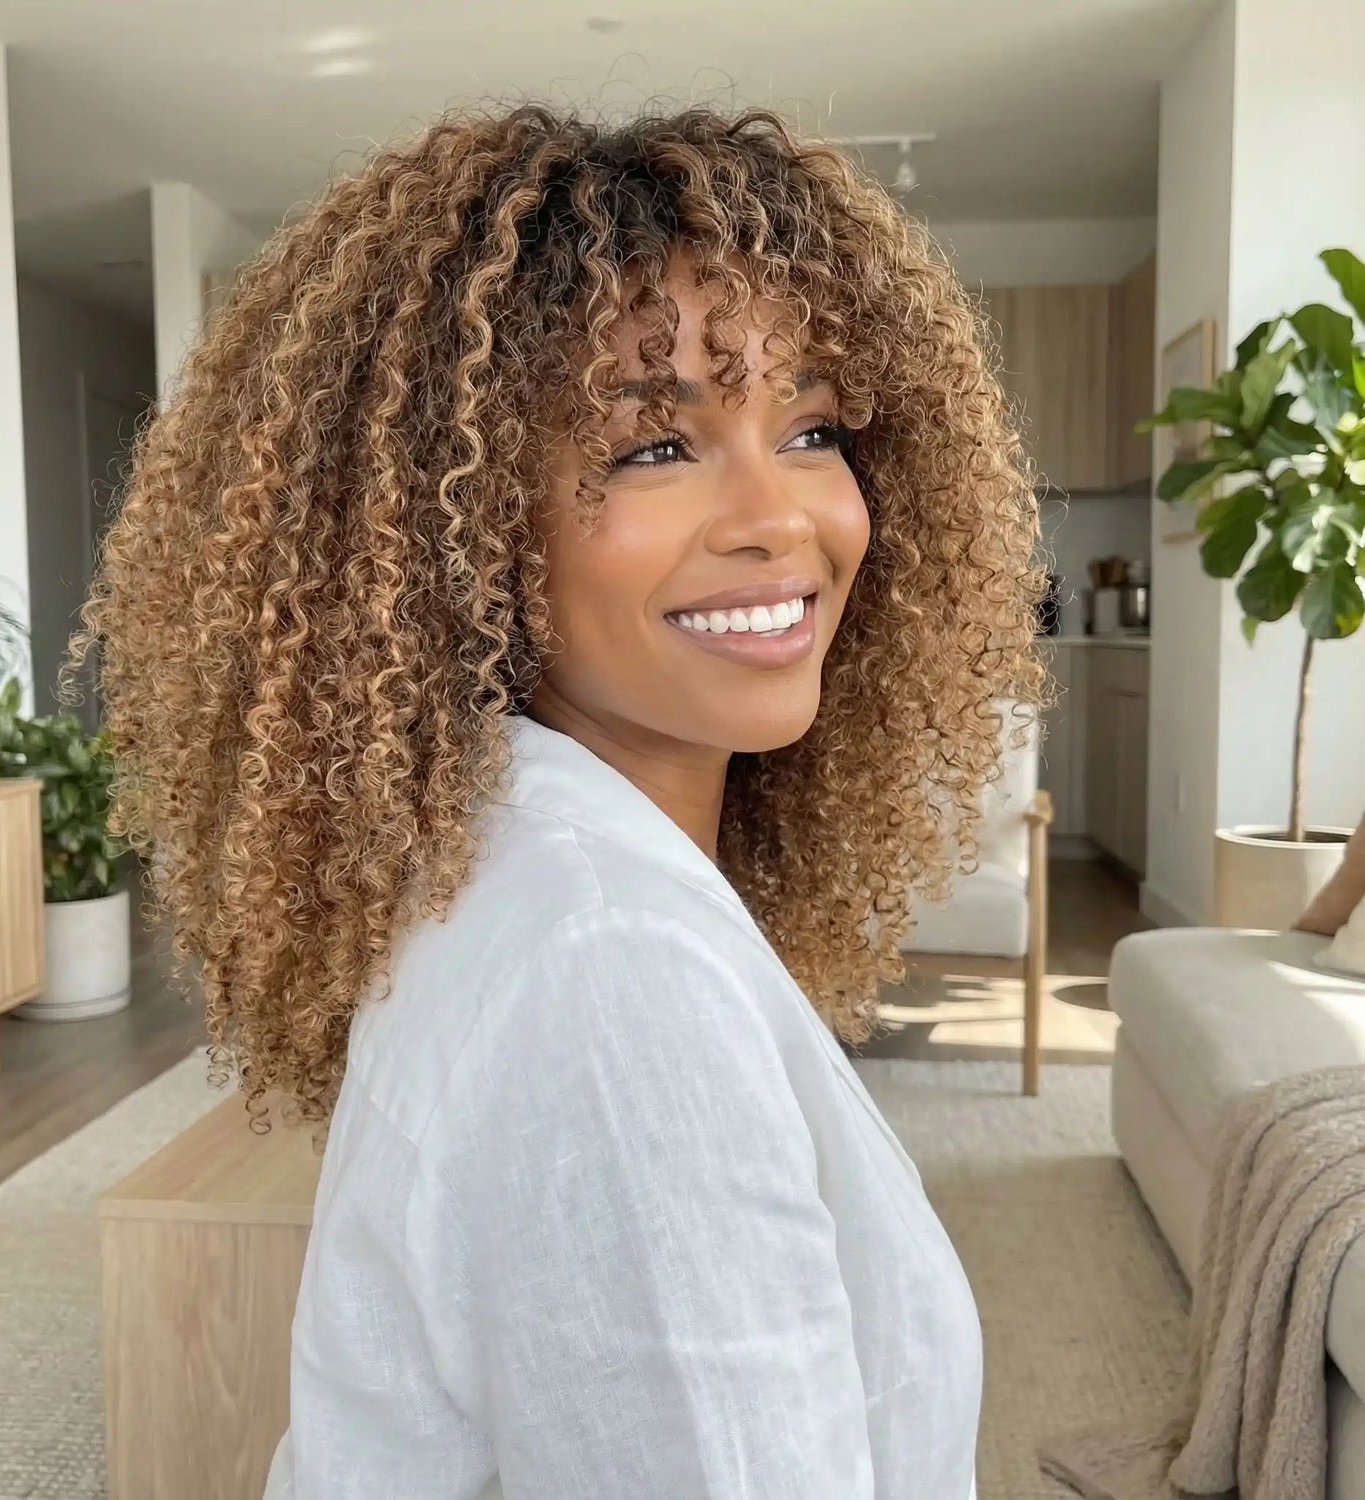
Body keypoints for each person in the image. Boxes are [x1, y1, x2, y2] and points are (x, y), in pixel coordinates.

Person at [78, 103, 1045, 1499]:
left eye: (816, 426)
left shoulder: (530, 858)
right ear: (460, 530)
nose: (780, 517)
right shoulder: (613, 964)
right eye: (655, 446)